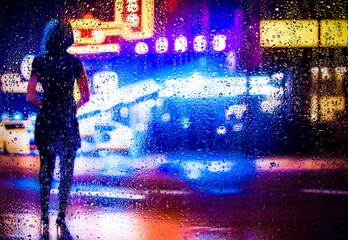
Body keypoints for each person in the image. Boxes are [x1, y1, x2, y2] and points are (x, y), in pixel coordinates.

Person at [26, 18, 90, 237]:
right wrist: (72, 108)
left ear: (49, 37)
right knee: (67, 170)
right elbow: (85, 96)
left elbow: (30, 94)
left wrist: (43, 106)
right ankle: (61, 214)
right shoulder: (75, 64)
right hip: (66, 120)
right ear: (68, 38)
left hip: (47, 118)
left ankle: (44, 213)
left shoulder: (39, 63)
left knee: (46, 168)